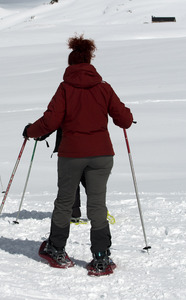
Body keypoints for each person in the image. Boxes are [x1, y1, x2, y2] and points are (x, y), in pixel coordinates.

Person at [23, 34, 133, 276]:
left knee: (64, 202)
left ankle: (56, 249)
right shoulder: (104, 88)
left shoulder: (65, 88)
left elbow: (51, 120)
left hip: (72, 154)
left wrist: (31, 131)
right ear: (90, 63)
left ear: (71, 65)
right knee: (97, 204)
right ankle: (101, 257)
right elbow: (123, 119)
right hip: (102, 155)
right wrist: (127, 115)